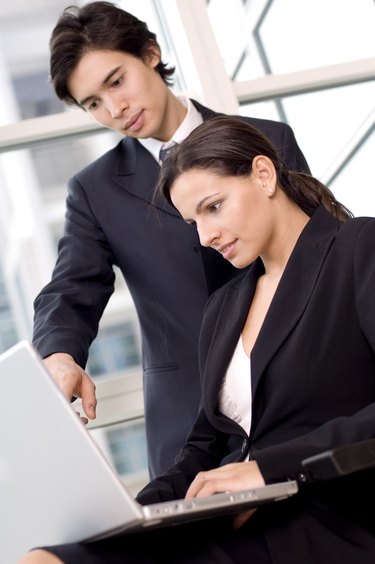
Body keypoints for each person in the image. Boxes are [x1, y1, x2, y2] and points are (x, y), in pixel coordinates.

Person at [20, 117, 375, 563]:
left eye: (213, 207)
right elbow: (204, 446)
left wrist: (267, 470)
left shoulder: (360, 248)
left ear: (264, 175)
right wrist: (139, 510)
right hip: (238, 518)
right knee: (46, 557)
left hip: (326, 514)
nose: (206, 237)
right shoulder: (225, 307)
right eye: (193, 223)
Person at [32, 1, 311, 479]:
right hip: (187, 426)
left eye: (116, 81)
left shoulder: (267, 141)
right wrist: (60, 354)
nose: (115, 109)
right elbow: (72, 286)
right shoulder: (95, 191)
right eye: (93, 104)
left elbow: (318, 259)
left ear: (150, 52)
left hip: (297, 390)